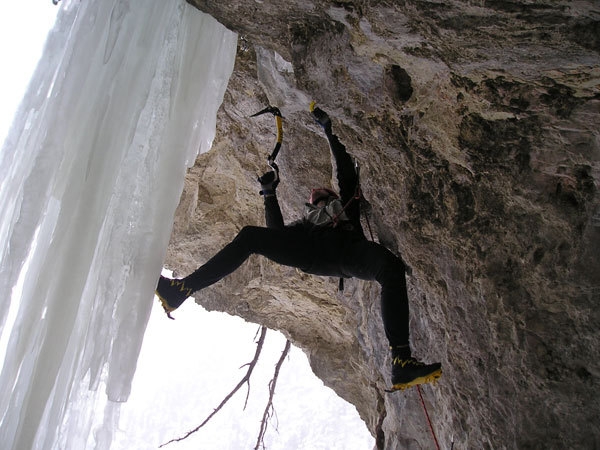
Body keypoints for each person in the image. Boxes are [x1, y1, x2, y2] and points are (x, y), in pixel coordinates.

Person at [156, 105, 441, 390]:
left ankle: (401, 361)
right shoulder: (303, 226)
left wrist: (330, 129)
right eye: (313, 197)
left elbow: (345, 173)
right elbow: (277, 236)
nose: (316, 194)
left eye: (321, 194)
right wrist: (269, 194)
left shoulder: (347, 210)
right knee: (250, 237)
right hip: (312, 252)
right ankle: (182, 289)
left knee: (390, 268)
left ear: (331, 197)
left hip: (347, 253)